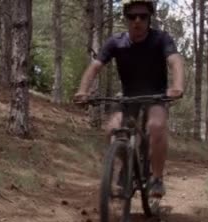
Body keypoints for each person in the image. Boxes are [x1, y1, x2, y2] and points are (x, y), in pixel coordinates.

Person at [73, 0, 185, 198]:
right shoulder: (116, 42)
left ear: (150, 18)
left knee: (156, 126)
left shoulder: (161, 39)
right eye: (132, 16)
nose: (137, 20)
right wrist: (83, 90)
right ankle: (124, 168)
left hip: (156, 93)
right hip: (128, 94)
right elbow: (95, 67)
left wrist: (177, 86)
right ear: (126, 19)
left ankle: (157, 178)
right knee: (112, 129)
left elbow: (175, 61)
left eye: (143, 16)